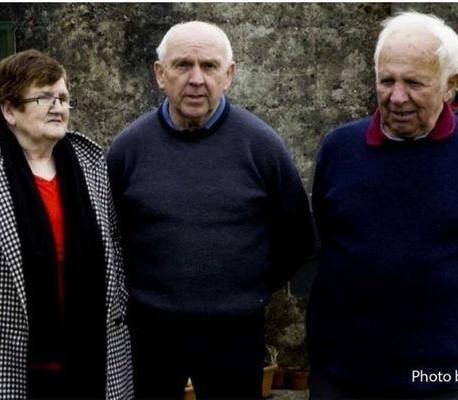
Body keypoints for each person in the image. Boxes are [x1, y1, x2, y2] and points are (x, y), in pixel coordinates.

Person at [107, 21, 314, 399]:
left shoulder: (262, 146)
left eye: (210, 66)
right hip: (149, 334)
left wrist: (244, 287)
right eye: (183, 65)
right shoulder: (128, 149)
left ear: (230, 74)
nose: (197, 79)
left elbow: (297, 237)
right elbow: (109, 238)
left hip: (234, 334)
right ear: (160, 74)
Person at [0, 49, 132, 400]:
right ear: (9, 110)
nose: (58, 107)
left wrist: (118, 298)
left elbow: (114, 241)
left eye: (63, 98)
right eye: (44, 97)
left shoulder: (91, 161)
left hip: (90, 352)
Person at [308, 11, 458, 399]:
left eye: (414, 83)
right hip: (343, 376)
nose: (396, 97)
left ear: (452, 85)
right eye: (386, 80)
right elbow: (324, 240)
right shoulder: (339, 148)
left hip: (442, 378)